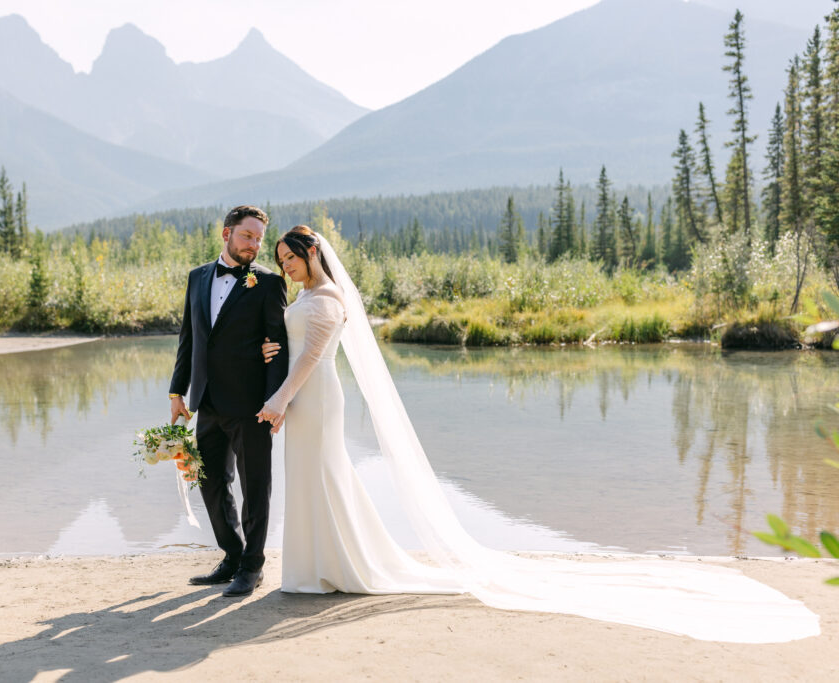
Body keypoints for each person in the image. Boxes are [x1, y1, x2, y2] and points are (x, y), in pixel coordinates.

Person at [255, 225, 820, 643]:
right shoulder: (303, 299)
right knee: (313, 477)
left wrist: (280, 397)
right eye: (281, 261)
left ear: (312, 255)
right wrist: (271, 354)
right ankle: (315, 564)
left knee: (323, 474)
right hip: (302, 398)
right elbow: (294, 350)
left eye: (292, 258)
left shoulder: (327, 299)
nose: (288, 267)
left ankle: (334, 566)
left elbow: (313, 360)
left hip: (316, 398)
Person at [169, 205, 288, 598]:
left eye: (258, 238)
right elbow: (189, 339)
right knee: (209, 480)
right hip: (206, 402)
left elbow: (278, 347)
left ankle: (253, 566)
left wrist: (274, 402)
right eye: (247, 236)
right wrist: (177, 392)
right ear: (226, 234)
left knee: (256, 487)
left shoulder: (269, 283)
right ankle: (232, 555)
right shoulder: (197, 277)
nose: (254, 244)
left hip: (252, 405)